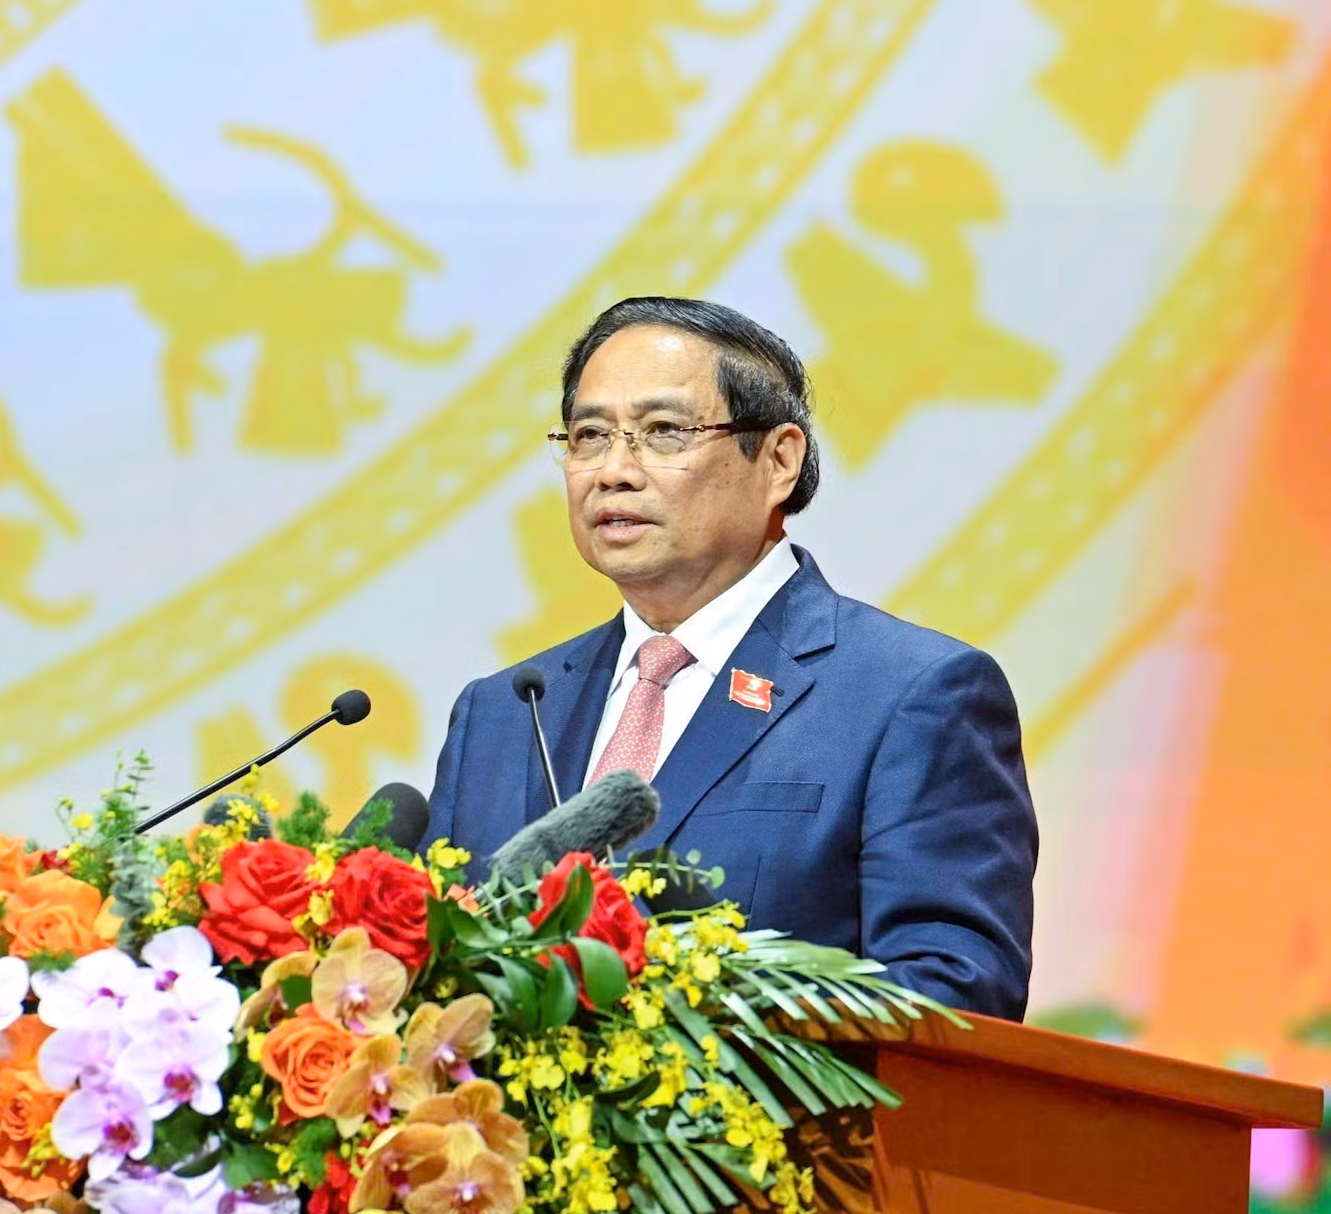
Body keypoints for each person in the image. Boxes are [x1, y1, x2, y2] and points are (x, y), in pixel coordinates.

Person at [425, 297, 1037, 1018]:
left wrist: (673, 1018)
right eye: (589, 436)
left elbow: (956, 994)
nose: (612, 471)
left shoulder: (910, 695)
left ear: (779, 461)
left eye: (663, 432)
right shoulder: (500, 713)